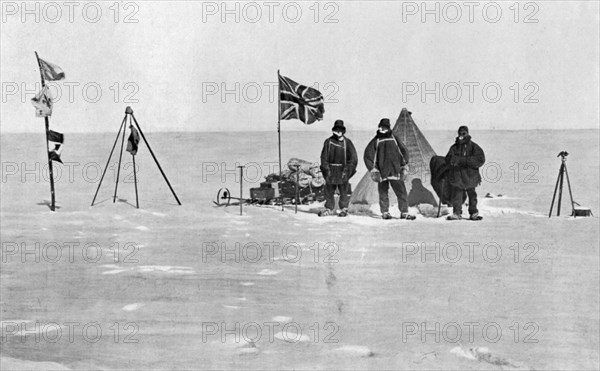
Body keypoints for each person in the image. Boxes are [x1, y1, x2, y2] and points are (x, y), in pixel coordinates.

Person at [364, 118, 415, 220]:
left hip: (395, 171)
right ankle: (385, 212)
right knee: (383, 192)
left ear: (388, 128)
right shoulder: (376, 140)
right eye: (381, 127)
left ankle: (404, 212)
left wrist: (404, 165)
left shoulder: (395, 139)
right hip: (382, 172)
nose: (383, 129)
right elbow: (368, 156)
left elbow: (403, 151)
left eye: (385, 127)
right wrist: (373, 170)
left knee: (401, 192)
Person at [445, 125, 485, 220]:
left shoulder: (474, 147)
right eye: (460, 133)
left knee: (472, 194)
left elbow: (480, 159)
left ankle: (473, 213)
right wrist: (452, 160)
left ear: (467, 133)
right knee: (457, 194)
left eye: (464, 133)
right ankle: (457, 213)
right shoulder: (454, 148)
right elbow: (448, 159)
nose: (461, 135)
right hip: (458, 176)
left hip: (470, 176)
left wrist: (462, 160)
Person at [319, 120, 358, 217]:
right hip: (331, 170)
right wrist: (326, 169)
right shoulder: (328, 142)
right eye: (336, 129)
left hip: (342, 171)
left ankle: (344, 209)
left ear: (343, 131)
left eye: (340, 129)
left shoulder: (347, 142)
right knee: (329, 190)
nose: (338, 131)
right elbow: (323, 157)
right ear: (333, 130)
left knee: (343, 191)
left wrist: (348, 170)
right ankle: (329, 208)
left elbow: (353, 158)